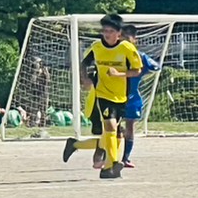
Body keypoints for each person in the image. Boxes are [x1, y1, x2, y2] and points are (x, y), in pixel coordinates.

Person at [62, 14, 142, 178]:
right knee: (110, 127)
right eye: (105, 31)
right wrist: (85, 79)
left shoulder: (126, 49)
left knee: (115, 135)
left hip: (121, 96)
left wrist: (119, 74)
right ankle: (111, 166)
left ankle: (76, 145)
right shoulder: (97, 47)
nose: (107, 34)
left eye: (111, 31)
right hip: (102, 94)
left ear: (118, 33)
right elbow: (84, 63)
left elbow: (137, 70)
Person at [118, 23, 161, 168]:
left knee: (130, 126)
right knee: (112, 126)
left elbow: (156, 67)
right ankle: (107, 155)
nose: (124, 42)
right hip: (114, 95)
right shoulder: (115, 56)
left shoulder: (140, 56)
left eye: (127, 39)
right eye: (121, 38)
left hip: (132, 97)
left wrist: (142, 72)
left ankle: (125, 158)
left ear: (134, 40)